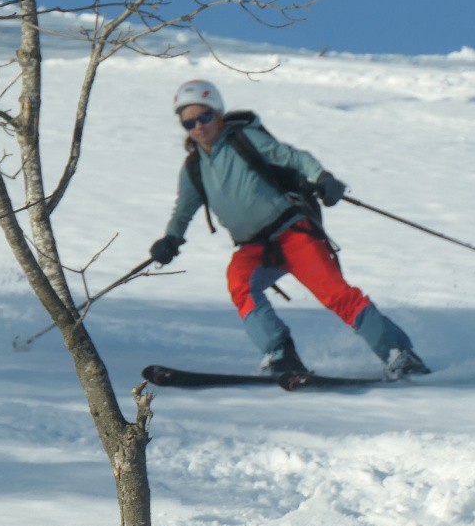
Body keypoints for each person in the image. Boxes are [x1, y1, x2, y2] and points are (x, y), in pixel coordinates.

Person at [149, 78, 430, 379]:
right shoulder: (193, 168)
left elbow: (292, 157)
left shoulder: (244, 139)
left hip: (292, 232)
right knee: (239, 282)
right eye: (189, 122)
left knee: (335, 294)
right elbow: (184, 209)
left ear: (217, 115)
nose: (199, 127)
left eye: (204, 117)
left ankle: (398, 353)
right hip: (254, 247)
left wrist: (322, 178)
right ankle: (281, 354)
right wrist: (170, 238)